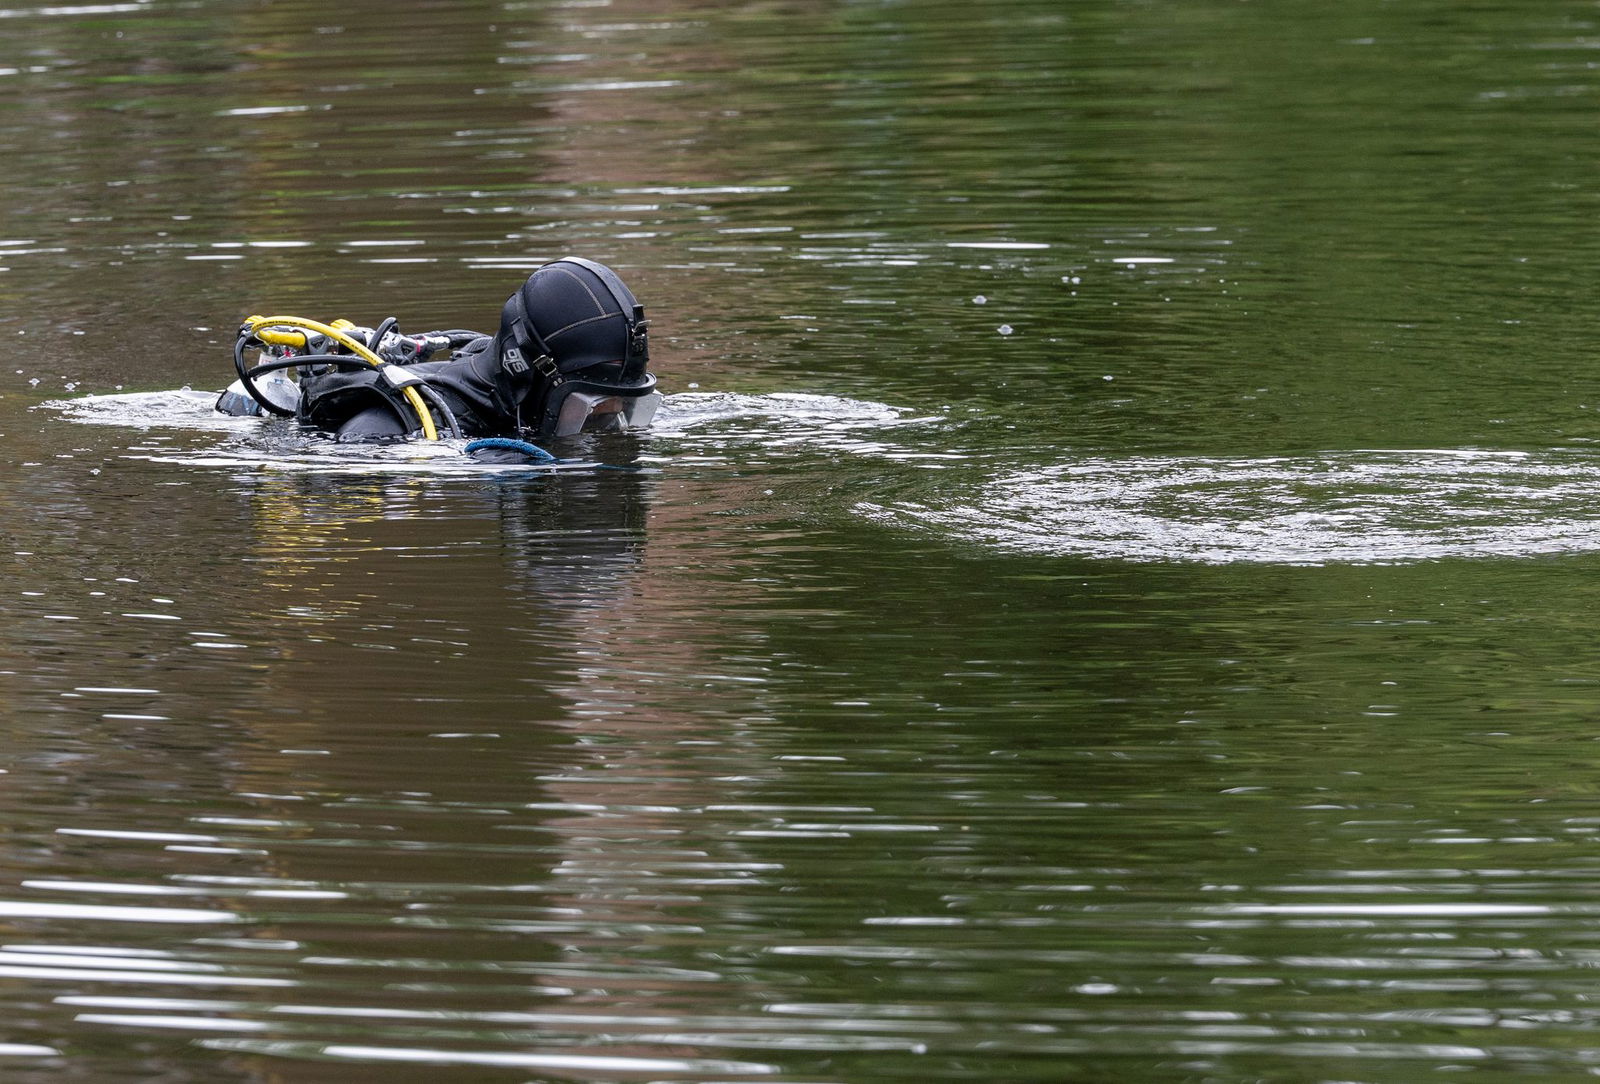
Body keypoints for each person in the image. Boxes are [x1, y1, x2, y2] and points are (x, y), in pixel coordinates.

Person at [219, 257, 661, 456]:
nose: (613, 428)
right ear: (527, 370)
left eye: (628, 409)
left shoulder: (526, 403)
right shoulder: (399, 425)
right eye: (592, 413)